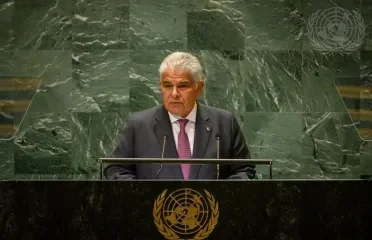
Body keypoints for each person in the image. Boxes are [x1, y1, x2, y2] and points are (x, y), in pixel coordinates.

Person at [104, 52, 255, 180]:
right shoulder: (138, 125)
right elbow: (116, 170)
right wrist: (145, 196)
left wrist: (221, 195)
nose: (174, 94)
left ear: (199, 87)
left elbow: (245, 170)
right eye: (168, 85)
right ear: (161, 86)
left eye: (183, 86)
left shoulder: (224, 123)